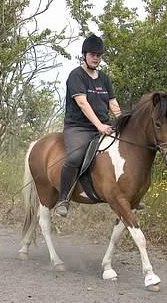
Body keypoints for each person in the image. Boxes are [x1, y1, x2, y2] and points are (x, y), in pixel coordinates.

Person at [54, 34, 122, 217]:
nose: (96, 58)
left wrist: (123, 121)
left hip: (103, 125)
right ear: (84, 55)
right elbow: (83, 104)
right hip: (79, 127)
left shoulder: (104, 78)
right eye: (92, 54)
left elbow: (112, 102)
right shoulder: (76, 76)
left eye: (99, 55)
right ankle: (63, 199)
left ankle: (127, 194)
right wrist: (99, 126)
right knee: (75, 157)